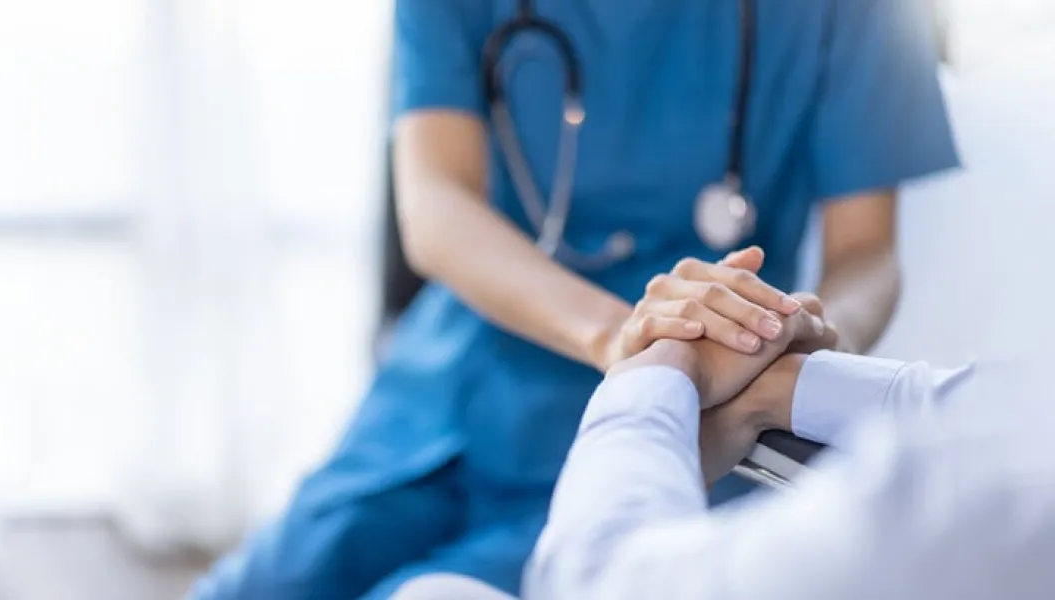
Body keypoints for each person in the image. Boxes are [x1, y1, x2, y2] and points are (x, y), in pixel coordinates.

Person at [189, 0, 958, 597]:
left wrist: (804, 338)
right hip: (461, 382)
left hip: (692, 417)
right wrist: (625, 338)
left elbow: (866, 255)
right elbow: (436, 207)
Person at [392, 311, 1043, 600]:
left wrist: (657, 368)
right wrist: (783, 386)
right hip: (486, 380)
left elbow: (595, 583)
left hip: (654, 405)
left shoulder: (953, 503)